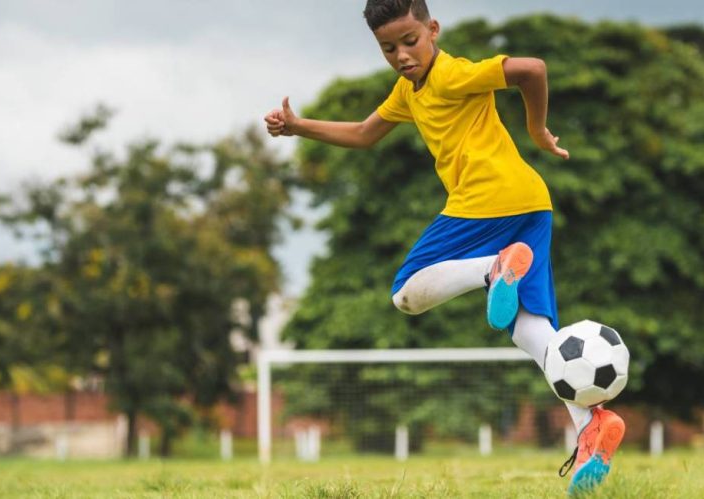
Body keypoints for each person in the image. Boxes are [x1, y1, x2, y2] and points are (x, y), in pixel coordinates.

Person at [264, 0, 624, 494]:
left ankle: (492, 270)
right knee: (530, 329)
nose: (402, 56)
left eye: (410, 42)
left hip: (485, 202)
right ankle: (593, 426)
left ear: (433, 29)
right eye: (388, 48)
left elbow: (531, 70)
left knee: (406, 292)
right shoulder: (408, 91)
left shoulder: (454, 75)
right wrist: (298, 125)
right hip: (531, 202)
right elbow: (367, 133)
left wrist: (537, 129)